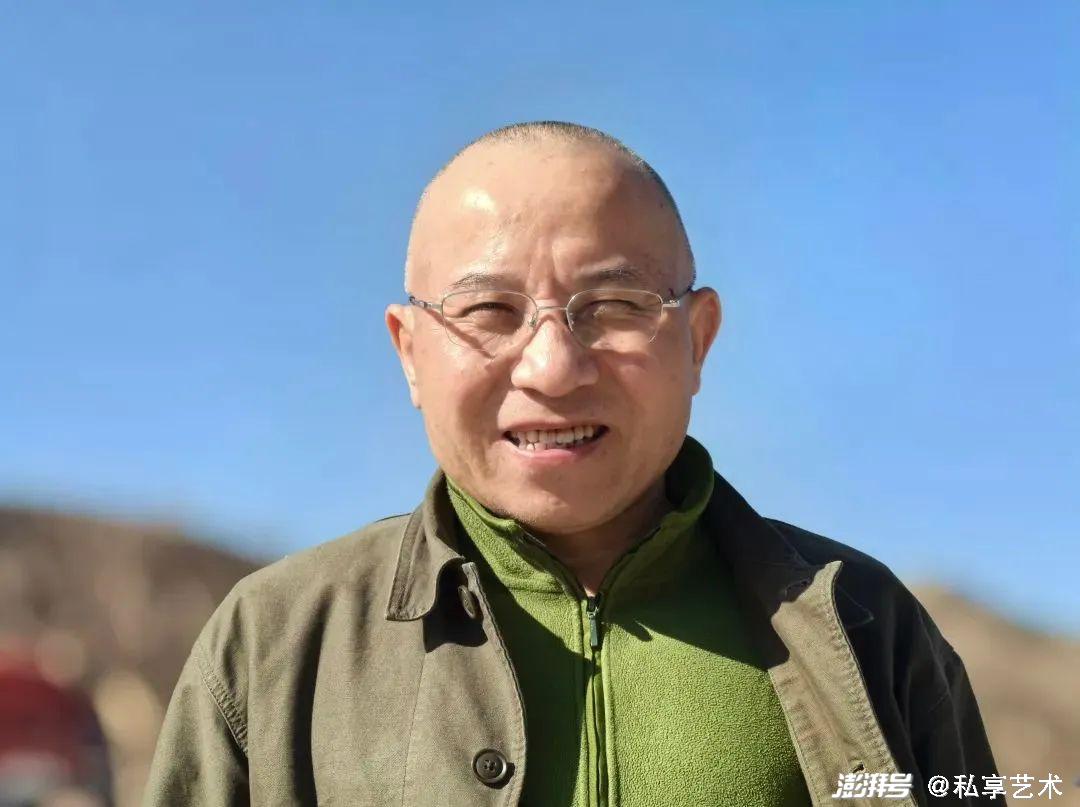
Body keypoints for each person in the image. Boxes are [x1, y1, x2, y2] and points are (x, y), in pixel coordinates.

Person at [144, 122, 999, 806]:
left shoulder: (865, 628)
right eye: (489, 309)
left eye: (615, 305)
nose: (553, 368)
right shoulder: (275, 642)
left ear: (697, 340)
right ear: (410, 352)